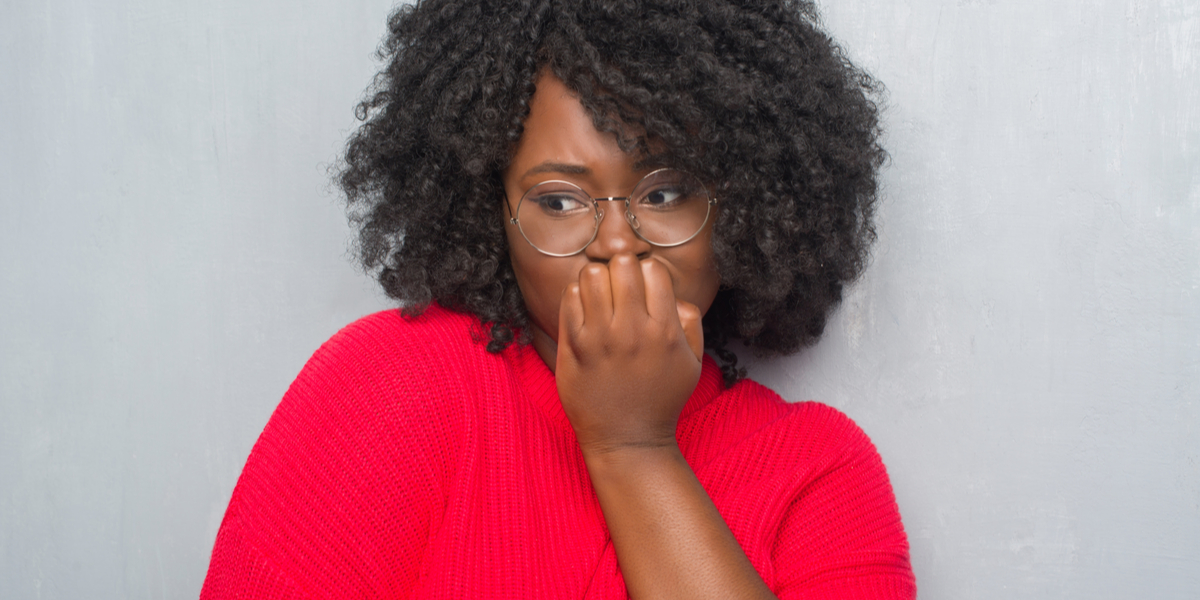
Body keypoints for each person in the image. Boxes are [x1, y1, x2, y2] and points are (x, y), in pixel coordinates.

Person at [201, 0, 915, 598]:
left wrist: (634, 447)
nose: (615, 243)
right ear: (492, 214)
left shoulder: (820, 474)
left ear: (746, 201)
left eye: (663, 191)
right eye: (558, 200)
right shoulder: (386, 386)